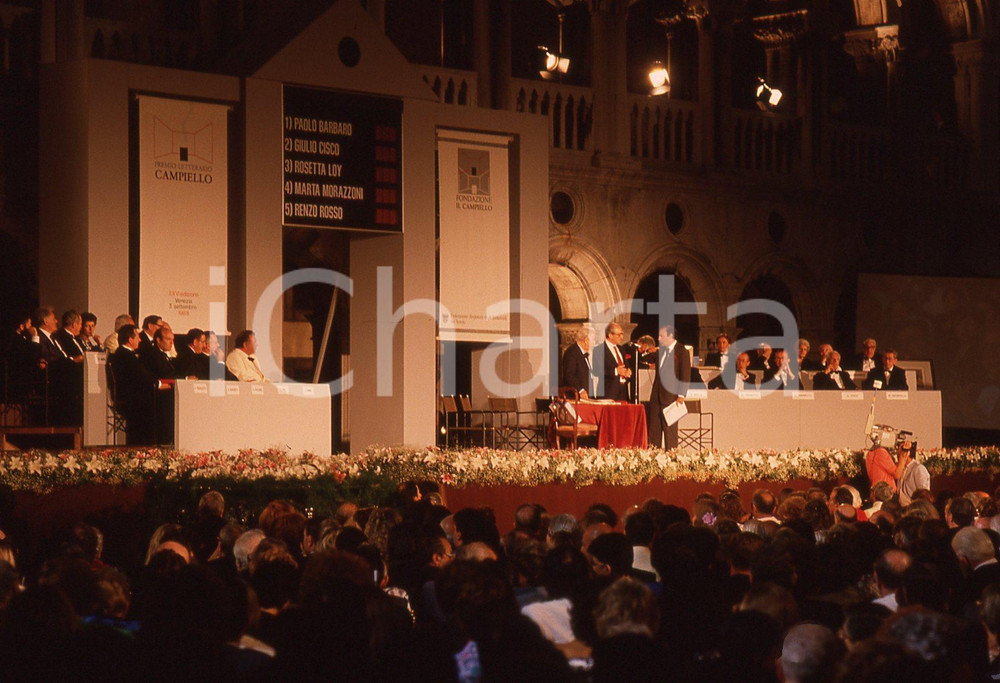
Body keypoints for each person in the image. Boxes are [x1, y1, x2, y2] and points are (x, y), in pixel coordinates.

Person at [110, 324, 169, 445]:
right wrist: (157, 384)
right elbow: (141, 377)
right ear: (130, 340)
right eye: (137, 337)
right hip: (133, 398)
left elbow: (142, 375)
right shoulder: (126, 356)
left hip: (133, 394)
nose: (140, 339)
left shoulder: (123, 354)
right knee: (163, 401)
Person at [647, 325, 690, 449]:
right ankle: (653, 458)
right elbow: (645, 359)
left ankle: (671, 458)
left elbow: (685, 374)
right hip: (656, 396)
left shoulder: (681, 351)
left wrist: (681, 395)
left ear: (671, 336)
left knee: (670, 431)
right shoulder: (660, 351)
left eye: (662, 336)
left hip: (671, 397)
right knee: (654, 431)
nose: (659, 338)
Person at [559, 326, 594, 398]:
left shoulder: (582, 353)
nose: (594, 343)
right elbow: (569, 375)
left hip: (586, 396)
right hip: (576, 397)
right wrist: (580, 390)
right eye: (593, 340)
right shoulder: (572, 352)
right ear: (586, 340)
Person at [600, 323, 631, 401]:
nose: (622, 337)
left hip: (623, 392)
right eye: (619, 335)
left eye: (622, 334)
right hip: (609, 393)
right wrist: (616, 371)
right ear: (610, 335)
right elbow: (597, 371)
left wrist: (628, 371)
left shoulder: (621, 349)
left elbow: (626, 366)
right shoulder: (599, 350)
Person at [896, 438, 929, 506]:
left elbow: (924, 493)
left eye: (899, 452)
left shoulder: (918, 468)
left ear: (907, 453)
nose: (897, 454)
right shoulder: (900, 469)